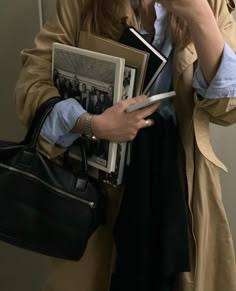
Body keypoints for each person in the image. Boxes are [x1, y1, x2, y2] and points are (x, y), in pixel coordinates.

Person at [15, 0, 236, 291]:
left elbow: (227, 108)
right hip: (95, 186)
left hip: (184, 185)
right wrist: (92, 123)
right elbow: (32, 85)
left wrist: (199, 15)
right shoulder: (81, 4)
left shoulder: (213, 4)